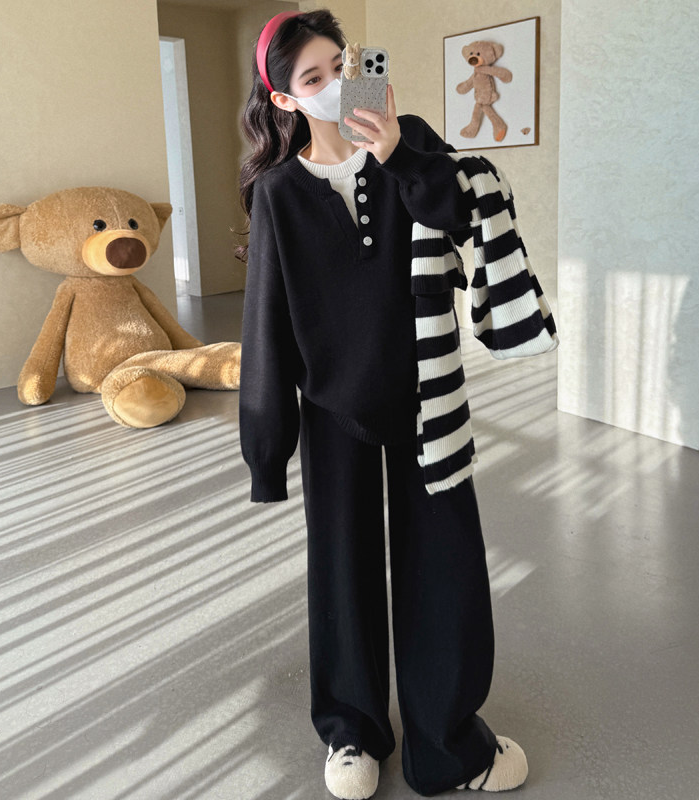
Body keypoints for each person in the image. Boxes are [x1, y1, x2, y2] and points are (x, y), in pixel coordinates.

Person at [236, 8, 528, 798]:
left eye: (343, 64)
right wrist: (268, 447)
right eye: (314, 77)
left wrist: (394, 150)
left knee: (447, 567)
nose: (336, 83)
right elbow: (266, 323)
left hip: (429, 401)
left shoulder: (412, 142)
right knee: (343, 574)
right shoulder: (279, 193)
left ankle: (448, 744)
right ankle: (352, 732)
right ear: (286, 99)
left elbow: (462, 214)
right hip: (335, 412)